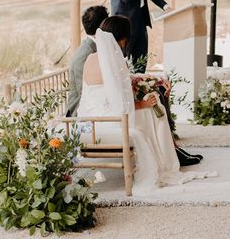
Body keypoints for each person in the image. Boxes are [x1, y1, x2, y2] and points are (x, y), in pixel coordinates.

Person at [78, 16, 211, 193]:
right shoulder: (115, 61)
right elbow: (121, 105)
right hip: (111, 122)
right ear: (123, 39)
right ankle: (167, 158)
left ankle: (171, 152)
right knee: (156, 111)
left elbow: (104, 90)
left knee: (151, 108)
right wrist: (144, 102)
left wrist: (147, 80)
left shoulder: (91, 58)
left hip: (88, 121)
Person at [66, 6, 109, 117]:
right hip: (80, 114)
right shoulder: (85, 55)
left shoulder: (97, 45)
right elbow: (86, 92)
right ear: (102, 25)